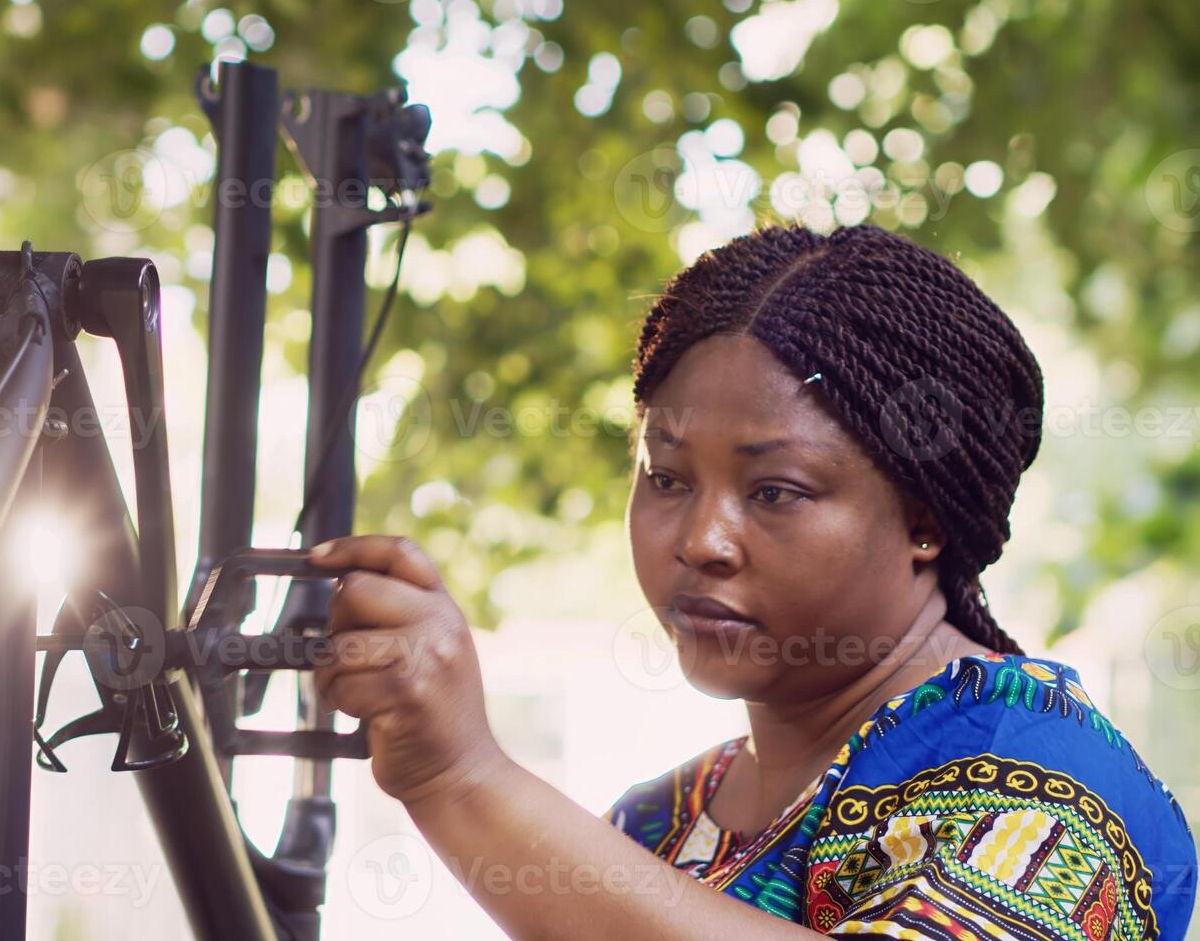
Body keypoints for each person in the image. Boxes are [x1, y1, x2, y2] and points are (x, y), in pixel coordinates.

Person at [310, 222, 1198, 938]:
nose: (702, 539)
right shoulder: (653, 824)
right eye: (666, 478)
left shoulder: (1044, 782)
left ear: (924, 519)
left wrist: (465, 779)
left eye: (775, 490)